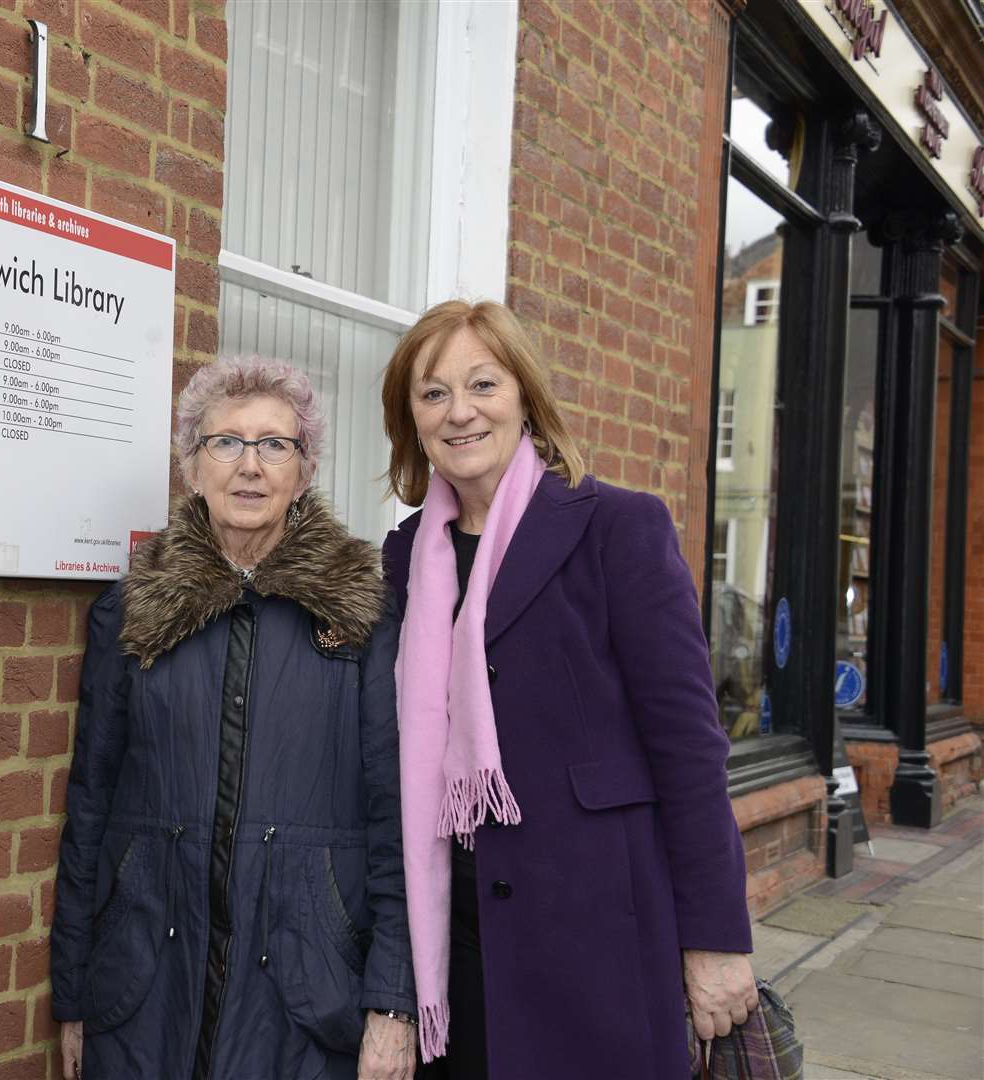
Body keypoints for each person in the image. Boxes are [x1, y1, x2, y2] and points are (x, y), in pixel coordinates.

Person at [378, 301, 757, 1079]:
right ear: (411, 419)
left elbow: (688, 747)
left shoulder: (618, 527)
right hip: (459, 939)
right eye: (433, 393)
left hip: (601, 936)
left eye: (483, 383)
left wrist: (717, 939)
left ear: (525, 397)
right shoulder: (406, 556)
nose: (461, 412)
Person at [50, 357, 417, 1080]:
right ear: (191, 465)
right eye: (226, 442)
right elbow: (89, 808)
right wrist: (73, 993)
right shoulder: (133, 611)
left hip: (310, 993)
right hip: (145, 987)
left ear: (304, 470)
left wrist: (393, 1002)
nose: (250, 466)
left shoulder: (363, 614)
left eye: (275, 444)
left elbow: (396, 819)